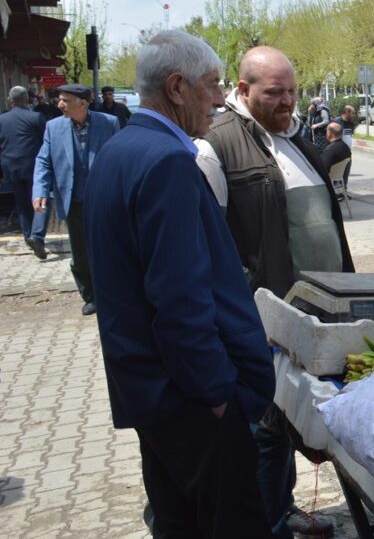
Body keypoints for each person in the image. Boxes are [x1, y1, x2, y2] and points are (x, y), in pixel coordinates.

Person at [84, 29, 275, 539]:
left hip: (152, 391)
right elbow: (179, 300)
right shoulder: (168, 161)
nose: (220, 98)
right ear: (176, 87)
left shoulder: (121, 148)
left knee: (179, 523)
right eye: (212, 84)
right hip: (190, 400)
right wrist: (217, 394)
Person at [197, 45, 352, 539]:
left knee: (288, 421)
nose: (287, 101)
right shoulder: (216, 147)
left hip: (317, 314)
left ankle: (280, 508)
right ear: (243, 90)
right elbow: (209, 242)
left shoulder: (296, 137)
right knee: (264, 427)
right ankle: (263, 524)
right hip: (264, 318)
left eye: (292, 91)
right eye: (274, 92)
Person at [33, 83, 119, 316]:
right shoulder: (53, 127)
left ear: (83, 103)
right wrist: (40, 191)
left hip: (103, 200)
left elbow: (120, 157)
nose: (60, 104)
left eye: (66, 100)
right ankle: (90, 295)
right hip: (73, 201)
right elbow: (43, 161)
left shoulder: (108, 123)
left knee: (108, 249)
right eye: (59, 99)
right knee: (80, 255)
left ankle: (112, 293)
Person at [0, 86, 48, 258]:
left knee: (21, 204)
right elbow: (46, 142)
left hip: (10, 167)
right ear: (27, 99)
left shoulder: (2, 119)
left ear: (10, 101)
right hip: (33, 167)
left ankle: (28, 236)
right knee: (39, 201)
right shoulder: (36, 117)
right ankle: (37, 236)